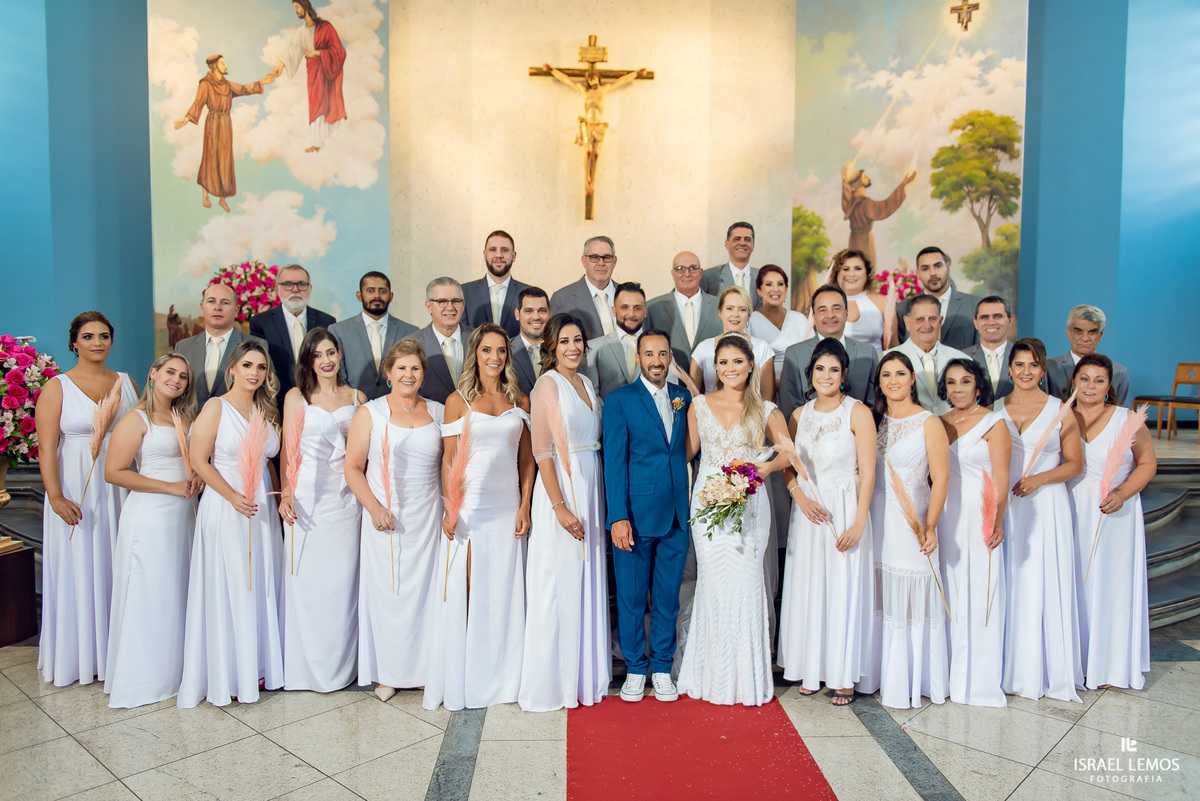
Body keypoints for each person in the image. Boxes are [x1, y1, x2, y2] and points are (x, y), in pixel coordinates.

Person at [676, 333, 792, 706]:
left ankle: (747, 679)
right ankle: (707, 675)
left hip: (750, 505)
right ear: (715, 367)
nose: (729, 369)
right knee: (712, 582)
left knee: (745, 582)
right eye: (722, 362)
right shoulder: (699, 405)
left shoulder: (767, 410)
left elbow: (789, 454)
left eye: (737, 362)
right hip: (707, 504)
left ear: (750, 366)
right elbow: (688, 452)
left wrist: (766, 467)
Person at [424, 324, 535, 711]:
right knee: (469, 592)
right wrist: (450, 509)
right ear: (476, 354)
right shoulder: (459, 401)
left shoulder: (520, 400)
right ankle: (466, 678)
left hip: (507, 509)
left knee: (505, 592)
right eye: (487, 350)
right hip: (470, 509)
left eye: (501, 350)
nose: (495, 357)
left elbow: (527, 460)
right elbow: (449, 460)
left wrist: (524, 506)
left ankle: (503, 678)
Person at [178, 341, 285, 708]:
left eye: (260, 366)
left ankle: (255, 664)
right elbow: (198, 460)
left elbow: (270, 459)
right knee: (233, 583)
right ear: (233, 369)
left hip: (261, 508)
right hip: (227, 507)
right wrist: (231, 496)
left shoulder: (266, 410)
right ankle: (230, 671)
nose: (254, 372)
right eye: (247, 365)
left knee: (259, 582)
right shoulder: (216, 407)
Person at [36, 312, 139, 687]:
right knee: (79, 565)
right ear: (74, 342)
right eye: (89, 336)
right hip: (75, 485)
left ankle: (119, 653)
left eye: (104, 336)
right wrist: (56, 495)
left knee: (119, 562)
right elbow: (46, 447)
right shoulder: (57, 387)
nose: (98, 342)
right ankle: (80, 655)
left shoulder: (127, 383)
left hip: (119, 487)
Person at [777, 339, 876, 706]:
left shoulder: (858, 412)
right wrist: (799, 497)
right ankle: (811, 666)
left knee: (841, 588)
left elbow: (867, 473)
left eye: (834, 369)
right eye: (820, 369)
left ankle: (842, 672)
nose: (826, 375)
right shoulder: (799, 416)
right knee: (809, 586)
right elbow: (789, 468)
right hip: (808, 514)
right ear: (810, 373)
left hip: (845, 508)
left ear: (844, 374)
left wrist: (859, 522)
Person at [520, 315, 611, 711]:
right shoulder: (547, 384)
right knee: (559, 581)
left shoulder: (586, 383)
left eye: (578, 340)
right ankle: (551, 681)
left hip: (591, 484)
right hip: (564, 487)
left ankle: (584, 674)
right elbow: (542, 451)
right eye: (564, 341)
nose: (572, 347)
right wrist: (558, 506)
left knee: (585, 578)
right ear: (551, 347)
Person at [345, 339, 444, 701]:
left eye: (415, 368)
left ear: (423, 374)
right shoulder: (370, 413)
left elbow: (448, 464)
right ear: (388, 373)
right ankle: (388, 673)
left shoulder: (438, 411)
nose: (408, 374)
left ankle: (420, 670)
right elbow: (353, 468)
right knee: (389, 593)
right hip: (385, 517)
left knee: (425, 596)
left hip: (428, 517)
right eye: (401, 368)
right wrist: (373, 508)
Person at [103, 352, 200, 708]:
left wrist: (195, 482)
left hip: (182, 518)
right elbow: (114, 472)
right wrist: (170, 486)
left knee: (175, 592)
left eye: (183, 377)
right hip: (149, 517)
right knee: (149, 594)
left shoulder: (183, 418)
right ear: (153, 374)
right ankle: (141, 678)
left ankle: (174, 672)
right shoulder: (136, 418)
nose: (176, 380)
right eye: (170, 372)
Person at [602, 329, 692, 703]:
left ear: (670, 357)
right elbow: (614, 462)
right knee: (632, 597)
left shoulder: (681, 397)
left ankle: (662, 666)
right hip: (634, 517)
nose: (657, 361)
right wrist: (617, 516)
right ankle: (636, 668)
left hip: (676, 514)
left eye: (663, 354)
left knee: (668, 598)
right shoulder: (620, 400)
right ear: (637, 358)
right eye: (649, 354)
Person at [995, 338, 1085, 702]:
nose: (1026, 372)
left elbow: (1075, 463)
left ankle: (1044, 669)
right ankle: (1008, 668)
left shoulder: (1061, 410)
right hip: (1008, 507)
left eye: (1033, 365)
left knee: (1042, 582)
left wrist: (1039, 479)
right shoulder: (995, 409)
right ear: (1010, 368)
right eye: (1019, 365)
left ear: (1043, 369)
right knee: (1011, 583)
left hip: (1046, 506)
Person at [278, 328, 365, 693]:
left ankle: (343, 667)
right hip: (307, 497)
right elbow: (288, 449)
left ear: (340, 355)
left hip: (345, 501)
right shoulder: (296, 397)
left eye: (331, 352)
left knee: (342, 584)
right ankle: (305, 669)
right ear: (308, 360)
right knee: (307, 582)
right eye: (318, 355)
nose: (326, 361)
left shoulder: (358, 397)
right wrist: (285, 493)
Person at [862, 351, 951, 709]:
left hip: (911, 521)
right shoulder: (874, 421)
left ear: (913, 378)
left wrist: (930, 525)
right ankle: (876, 673)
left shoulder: (929, 422)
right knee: (880, 595)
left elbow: (942, 477)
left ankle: (913, 680)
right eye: (886, 374)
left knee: (912, 595)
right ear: (879, 382)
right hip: (876, 521)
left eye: (901, 373)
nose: (893, 380)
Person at [1069, 354, 1155, 690]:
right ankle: (1074, 661)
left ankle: (1110, 665)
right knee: (1074, 583)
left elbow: (1147, 463)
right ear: (1074, 381)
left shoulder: (1127, 420)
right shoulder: (1060, 415)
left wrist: (1122, 493)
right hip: (1072, 508)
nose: (1090, 386)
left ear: (1109, 387)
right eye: (1084, 378)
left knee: (1111, 585)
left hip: (1115, 512)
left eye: (1099, 380)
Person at [937, 358, 1010, 707]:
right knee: (950, 592)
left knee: (982, 590)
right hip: (947, 514)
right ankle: (948, 675)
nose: (958, 389)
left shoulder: (995, 423)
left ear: (978, 386)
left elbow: (1002, 476)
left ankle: (979, 680)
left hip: (980, 515)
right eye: (951, 383)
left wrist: (997, 519)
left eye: (965, 381)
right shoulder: (938, 422)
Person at [174, 55, 276, 211]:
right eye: (222, 63)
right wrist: (187, 118)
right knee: (210, 156)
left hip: (226, 124)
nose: (225, 65)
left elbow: (242, 89)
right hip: (213, 123)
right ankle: (205, 192)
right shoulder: (206, 84)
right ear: (214, 66)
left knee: (225, 159)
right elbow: (198, 102)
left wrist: (262, 82)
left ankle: (222, 198)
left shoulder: (227, 85)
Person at [778, 284, 879, 418]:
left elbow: (875, 403)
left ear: (846, 313)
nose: (830, 315)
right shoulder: (795, 354)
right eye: (822, 310)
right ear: (813, 316)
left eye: (836, 309)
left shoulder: (868, 353)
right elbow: (789, 407)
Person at [249, 264, 335, 406]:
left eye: (301, 284)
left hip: (318, 402)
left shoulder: (326, 321)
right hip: (274, 402)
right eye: (288, 284)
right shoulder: (260, 323)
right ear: (278, 289)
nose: (295, 290)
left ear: (310, 288)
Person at [329, 271, 419, 400]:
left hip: (398, 410)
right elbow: (337, 375)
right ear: (359, 296)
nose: (377, 296)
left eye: (382, 291)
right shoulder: (338, 331)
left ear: (391, 296)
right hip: (353, 408)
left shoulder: (410, 331)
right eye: (370, 291)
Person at [274, 0, 346, 153]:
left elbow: (339, 51)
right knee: (315, 105)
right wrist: (280, 66)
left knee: (327, 104)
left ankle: (329, 143)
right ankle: (316, 142)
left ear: (305, 7)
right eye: (295, 8)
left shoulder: (325, 27)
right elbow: (292, 50)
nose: (296, 11)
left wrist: (317, 53)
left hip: (327, 73)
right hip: (313, 73)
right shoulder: (301, 31)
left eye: (297, 7)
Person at [176, 284, 264, 407]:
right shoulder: (183, 347)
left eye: (225, 303)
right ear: (202, 307)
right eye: (211, 301)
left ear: (236, 310)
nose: (217, 307)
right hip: (190, 424)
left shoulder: (256, 346)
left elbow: (263, 395)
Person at [583, 281, 672, 400]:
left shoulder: (663, 347)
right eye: (625, 307)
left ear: (645, 312)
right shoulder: (593, 349)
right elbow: (591, 395)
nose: (631, 314)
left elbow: (670, 390)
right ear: (613, 310)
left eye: (637, 308)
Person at [686, 286, 776, 402]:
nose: (735, 314)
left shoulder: (762, 348)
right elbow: (692, 395)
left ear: (748, 315)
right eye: (729, 308)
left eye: (742, 309)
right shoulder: (703, 348)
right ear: (720, 312)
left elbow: (768, 398)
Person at [885, 294, 968, 415]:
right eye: (920, 319)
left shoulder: (962, 359)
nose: (927, 325)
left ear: (940, 322)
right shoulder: (886, 360)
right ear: (907, 323)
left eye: (932, 319)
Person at [645, 251, 722, 372]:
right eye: (680, 269)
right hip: (669, 384)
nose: (687, 274)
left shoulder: (721, 306)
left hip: (713, 382)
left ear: (701, 273)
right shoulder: (652, 308)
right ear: (672, 273)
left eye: (693, 268)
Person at [897, 247, 980, 350]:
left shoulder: (974, 305)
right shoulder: (902, 309)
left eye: (938, 266)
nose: (932, 273)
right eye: (925, 269)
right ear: (917, 274)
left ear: (948, 268)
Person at [1045, 305, 1130, 406]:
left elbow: (1121, 416)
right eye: (1078, 331)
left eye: (1092, 332)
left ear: (1100, 335)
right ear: (1069, 333)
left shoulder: (1118, 372)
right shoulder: (1048, 368)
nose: (1085, 338)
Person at [840, 164, 915, 269]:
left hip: (853, 240)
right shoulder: (866, 204)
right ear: (858, 183)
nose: (869, 178)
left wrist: (844, 180)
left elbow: (846, 197)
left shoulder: (851, 203)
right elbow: (885, 207)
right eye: (865, 177)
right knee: (865, 269)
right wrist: (903, 184)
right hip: (865, 241)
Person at [413, 277, 475, 404]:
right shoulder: (412, 345)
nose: (450, 307)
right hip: (430, 420)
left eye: (456, 301)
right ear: (428, 306)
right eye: (442, 301)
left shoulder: (480, 339)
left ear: (463, 305)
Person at [747, 264, 810, 380]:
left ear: (786, 289)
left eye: (780, 284)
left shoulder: (800, 319)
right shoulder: (750, 321)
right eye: (769, 284)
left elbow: (812, 353)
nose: (775, 289)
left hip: (801, 384)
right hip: (763, 386)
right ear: (759, 291)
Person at [462, 230, 530, 338]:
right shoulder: (464, 292)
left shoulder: (528, 293)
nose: (498, 255)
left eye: (505, 250)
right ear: (485, 254)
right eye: (493, 250)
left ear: (514, 256)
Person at [550, 236, 620, 338]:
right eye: (594, 257)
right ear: (584, 261)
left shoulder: (630, 295)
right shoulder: (562, 299)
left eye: (607, 258)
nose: (601, 263)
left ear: (614, 261)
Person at [830, 249, 897, 353]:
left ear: (867, 272)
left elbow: (893, 346)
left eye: (858, 268)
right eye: (846, 269)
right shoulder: (824, 302)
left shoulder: (882, 303)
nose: (851, 274)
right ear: (836, 273)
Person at [963, 296, 1016, 401]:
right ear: (976, 322)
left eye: (997, 316)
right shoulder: (962, 358)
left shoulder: (1026, 357)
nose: (991, 322)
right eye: (984, 317)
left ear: (1010, 320)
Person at [699, 223, 761, 309]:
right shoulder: (708, 277)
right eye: (737, 239)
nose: (742, 243)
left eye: (747, 239)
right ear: (726, 244)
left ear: (753, 245)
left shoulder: (764, 277)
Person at [510, 287, 551, 396]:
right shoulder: (505, 351)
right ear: (517, 314)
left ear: (550, 313)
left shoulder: (563, 350)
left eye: (542, 311)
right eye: (529, 311)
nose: (536, 317)